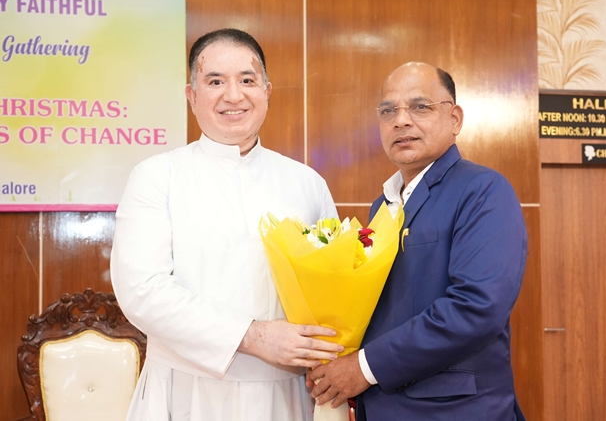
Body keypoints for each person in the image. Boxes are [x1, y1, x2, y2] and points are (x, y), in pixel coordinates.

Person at [110, 28, 344, 421]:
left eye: (247, 80)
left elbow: (334, 287)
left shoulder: (307, 183)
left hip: (285, 393)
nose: (233, 95)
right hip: (186, 391)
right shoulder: (156, 176)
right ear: (192, 96)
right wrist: (256, 336)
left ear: (267, 91)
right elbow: (142, 290)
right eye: (215, 81)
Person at [309, 62, 528, 420]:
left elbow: (476, 308)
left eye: (420, 106)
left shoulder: (483, 190)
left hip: (454, 411)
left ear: (455, 119)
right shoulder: (382, 206)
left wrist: (362, 368)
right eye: (388, 111)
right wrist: (337, 362)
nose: (401, 121)